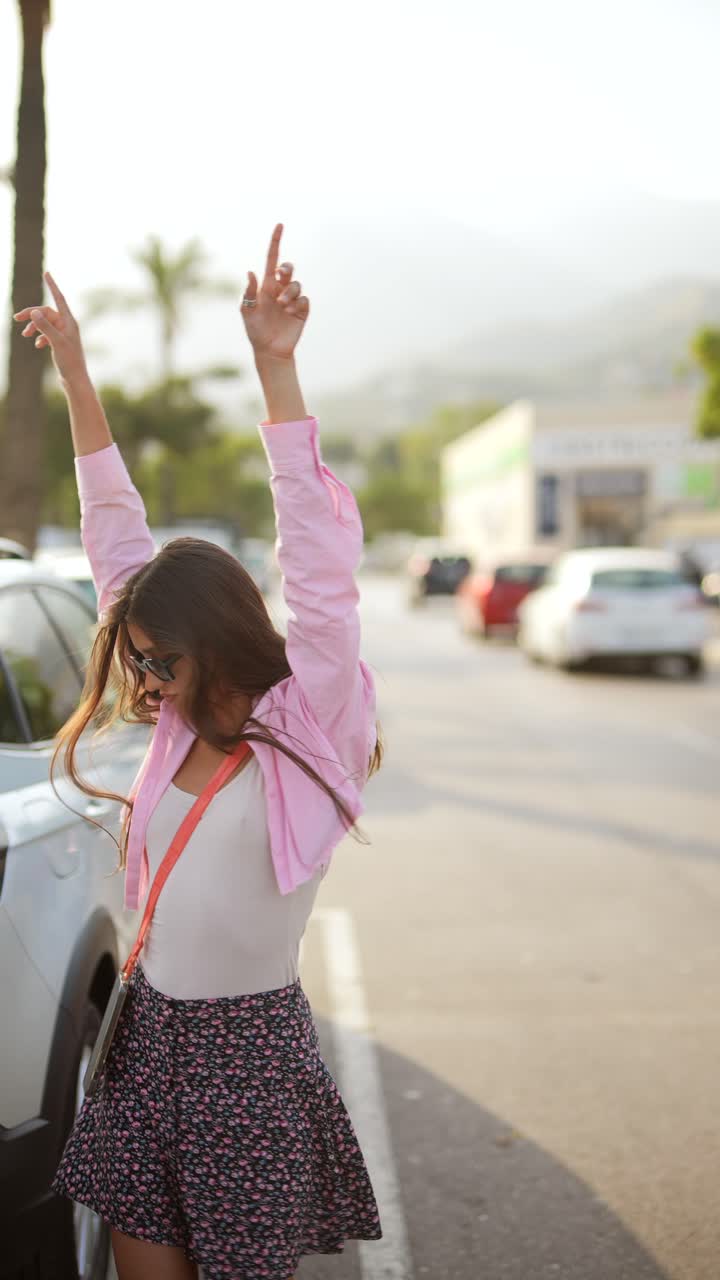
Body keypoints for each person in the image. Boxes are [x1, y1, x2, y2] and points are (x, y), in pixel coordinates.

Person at [14, 223, 383, 1280]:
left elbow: (318, 565)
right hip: (146, 1045)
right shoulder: (174, 715)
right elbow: (112, 532)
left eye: (162, 658)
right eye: (137, 659)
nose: (147, 682)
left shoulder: (304, 720)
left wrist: (278, 367)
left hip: (248, 1061)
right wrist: (77, 372)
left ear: (218, 634)